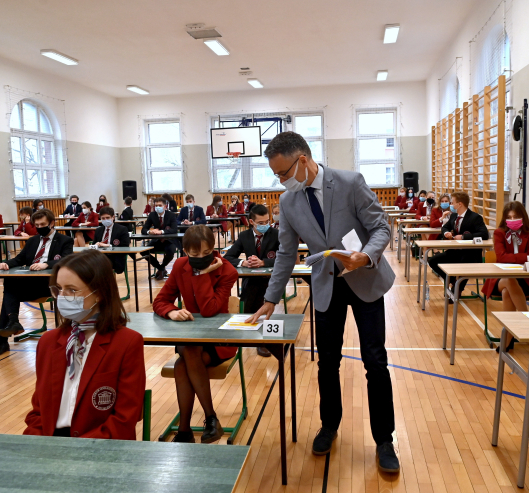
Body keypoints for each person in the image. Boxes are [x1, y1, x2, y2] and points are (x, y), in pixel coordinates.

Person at [247, 131, 399, 473]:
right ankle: (329, 425)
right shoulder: (288, 202)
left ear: (303, 160)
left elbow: (380, 228)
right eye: (276, 176)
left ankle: (385, 439)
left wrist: (366, 256)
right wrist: (271, 298)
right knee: (327, 362)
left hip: (364, 279)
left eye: (284, 173)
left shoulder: (350, 182)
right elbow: (286, 253)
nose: (281, 181)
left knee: (375, 362)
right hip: (326, 286)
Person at [23, 250, 146, 439]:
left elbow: (125, 418)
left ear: (100, 294)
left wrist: (78, 451)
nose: (62, 297)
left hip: (102, 445)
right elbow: (38, 411)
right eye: (58, 289)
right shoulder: (48, 342)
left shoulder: (126, 343)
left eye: (72, 290)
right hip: (52, 444)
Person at [153, 225, 238, 443]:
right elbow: (160, 301)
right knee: (190, 350)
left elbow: (210, 311)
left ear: (213, 248)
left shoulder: (228, 270)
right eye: (194, 255)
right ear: (184, 252)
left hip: (219, 339)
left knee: (184, 363)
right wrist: (171, 312)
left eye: (206, 253)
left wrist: (201, 273)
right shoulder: (181, 265)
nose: (201, 258)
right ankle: (210, 419)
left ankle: (185, 431)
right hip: (190, 337)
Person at [0, 209, 74, 358]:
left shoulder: (65, 240)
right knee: (10, 282)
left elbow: (66, 260)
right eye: (37, 225)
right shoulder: (32, 241)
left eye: (43, 224)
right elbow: (19, 259)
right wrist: (6, 263)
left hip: (50, 285)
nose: (39, 227)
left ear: (52, 223)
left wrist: (47, 264)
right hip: (31, 284)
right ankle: (12, 322)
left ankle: (3, 339)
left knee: (9, 293)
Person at [482, 201, 529, 351]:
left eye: (516, 216)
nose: (513, 220)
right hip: (500, 278)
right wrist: (527, 258)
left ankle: (508, 337)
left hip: (523, 279)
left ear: (523, 217)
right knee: (509, 280)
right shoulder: (499, 233)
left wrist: (527, 257)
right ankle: (526, 321)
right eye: (509, 217)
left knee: (507, 292)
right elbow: (502, 257)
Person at [224, 204, 279, 358]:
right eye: (261, 223)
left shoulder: (276, 234)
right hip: (252, 278)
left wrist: (264, 262)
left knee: (257, 292)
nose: (265, 225)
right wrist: (244, 263)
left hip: (271, 278)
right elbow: (228, 257)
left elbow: (285, 258)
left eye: (267, 221)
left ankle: (261, 339)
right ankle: (256, 335)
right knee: (252, 291)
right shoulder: (244, 236)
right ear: (251, 222)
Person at [428, 191, 489, 297]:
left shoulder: (475, 217)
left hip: (470, 254)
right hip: (455, 251)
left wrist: (464, 237)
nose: (451, 205)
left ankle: (457, 289)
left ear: (459, 204)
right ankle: (453, 281)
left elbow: (484, 234)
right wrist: (446, 232)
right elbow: (445, 227)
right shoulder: (454, 216)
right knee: (433, 260)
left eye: (452, 202)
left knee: (465, 262)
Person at [142, 197, 178, 280]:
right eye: (156, 205)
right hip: (156, 241)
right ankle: (161, 268)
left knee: (171, 250)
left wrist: (161, 232)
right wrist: (149, 232)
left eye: (160, 205)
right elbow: (144, 229)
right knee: (143, 251)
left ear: (165, 206)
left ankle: (161, 268)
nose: (158, 207)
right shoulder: (152, 215)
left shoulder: (171, 215)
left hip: (169, 241)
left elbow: (174, 229)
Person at [93, 207, 131, 274]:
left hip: (115, 258)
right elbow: (93, 246)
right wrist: (96, 245)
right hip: (99, 257)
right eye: (103, 218)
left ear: (113, 217)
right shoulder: (98, 230)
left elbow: (125, 247)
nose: (105, 220)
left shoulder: (122, 229)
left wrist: (108, 246)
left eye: (107, 218)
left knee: (102, 266)